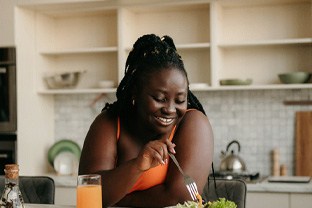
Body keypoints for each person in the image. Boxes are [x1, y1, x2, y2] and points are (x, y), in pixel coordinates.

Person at [78, 34, 214, 207]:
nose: (170, 109)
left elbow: (180, 198)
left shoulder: (193, 123)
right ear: (135, 92)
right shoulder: (109, 123)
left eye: (180, 100)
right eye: (159, 98)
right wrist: (136, 166)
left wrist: (121, 199)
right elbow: (91, 193)